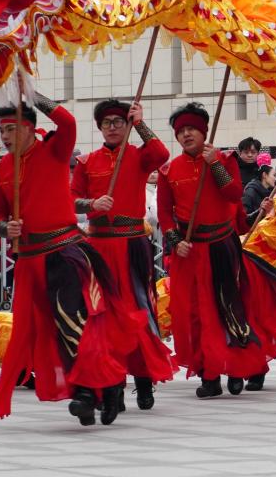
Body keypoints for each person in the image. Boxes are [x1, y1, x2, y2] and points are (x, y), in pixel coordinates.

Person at [0, 90, 135, 427]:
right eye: (2, 131)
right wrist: (5, 227)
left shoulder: (54, 150)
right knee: (45, 331)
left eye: (12, 129)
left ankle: (89, 391)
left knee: (75, 322)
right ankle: (99, 387)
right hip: (29, 261)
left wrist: (31, 93)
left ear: (29, 129)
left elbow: (67, 122)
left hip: (65, 253)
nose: (6, 137)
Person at [158, 102, 276, 399]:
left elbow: (232, 194)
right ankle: (209, 375)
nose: (186, 135)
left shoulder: (224, 160)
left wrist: (214, 163)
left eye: (191, 129)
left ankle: (239, 366)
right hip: (191, 251)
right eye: (181, 131)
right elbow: (164, 213)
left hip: (223, 247)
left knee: (228, 308)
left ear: (204, 132)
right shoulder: (168, 170)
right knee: (196, 313)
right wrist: (176, 241)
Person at [70, 99, 177, 411]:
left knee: (138, 312)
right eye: (107, 123)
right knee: (102, 317)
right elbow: (71, 198)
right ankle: (109, 383)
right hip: (99, 248)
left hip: (132, 247)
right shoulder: (86, 162)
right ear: (99, 127)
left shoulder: (139, 156)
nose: (113, 127)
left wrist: (140, 123)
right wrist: (91, 204)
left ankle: (143, 380)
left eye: (119, 122)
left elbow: (161, 154)